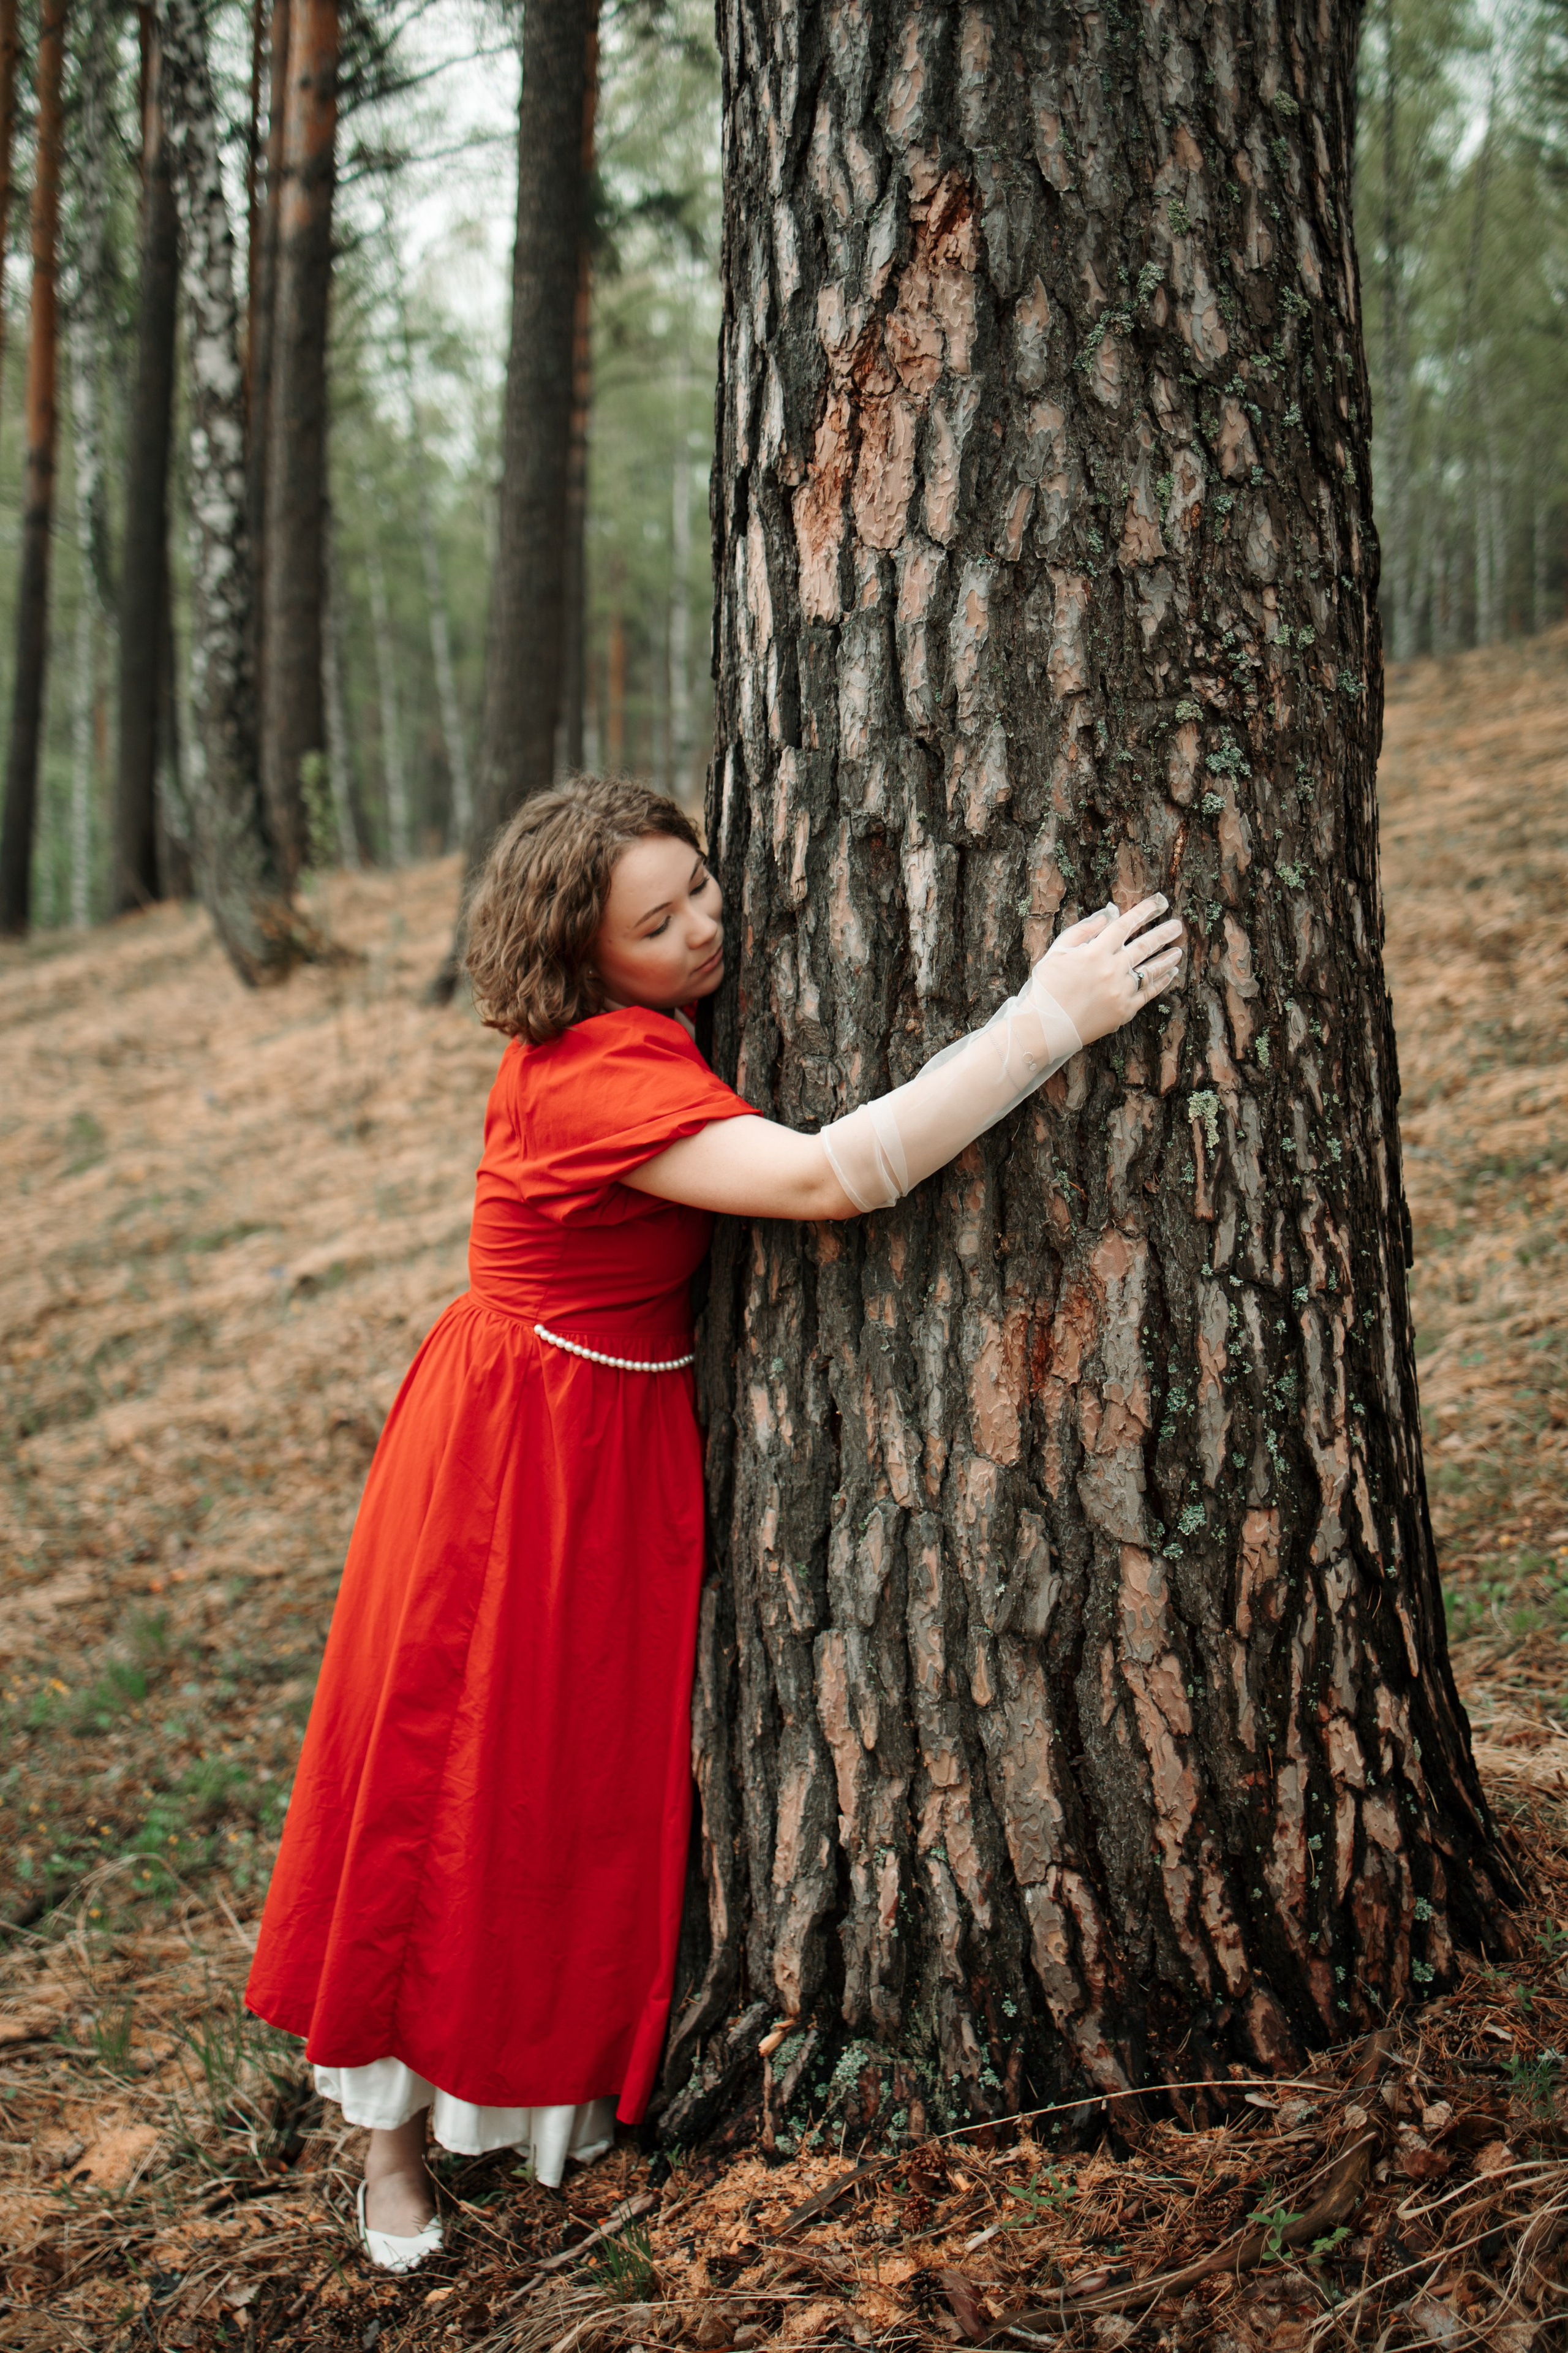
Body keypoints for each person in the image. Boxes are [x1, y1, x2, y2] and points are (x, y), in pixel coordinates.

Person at [244, 776, 1183, 2272]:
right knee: (455, 1769)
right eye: (656, 918)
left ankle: (539, 2091)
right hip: (520, 1458)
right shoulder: (593, 1078)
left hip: (602, 1434)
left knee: (576, 1782)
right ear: (578, 949)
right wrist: (1045, 1020)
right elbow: (830, 1177)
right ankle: (389, 2148)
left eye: (700, 886)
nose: (705, 927)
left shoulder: (631, 1034)